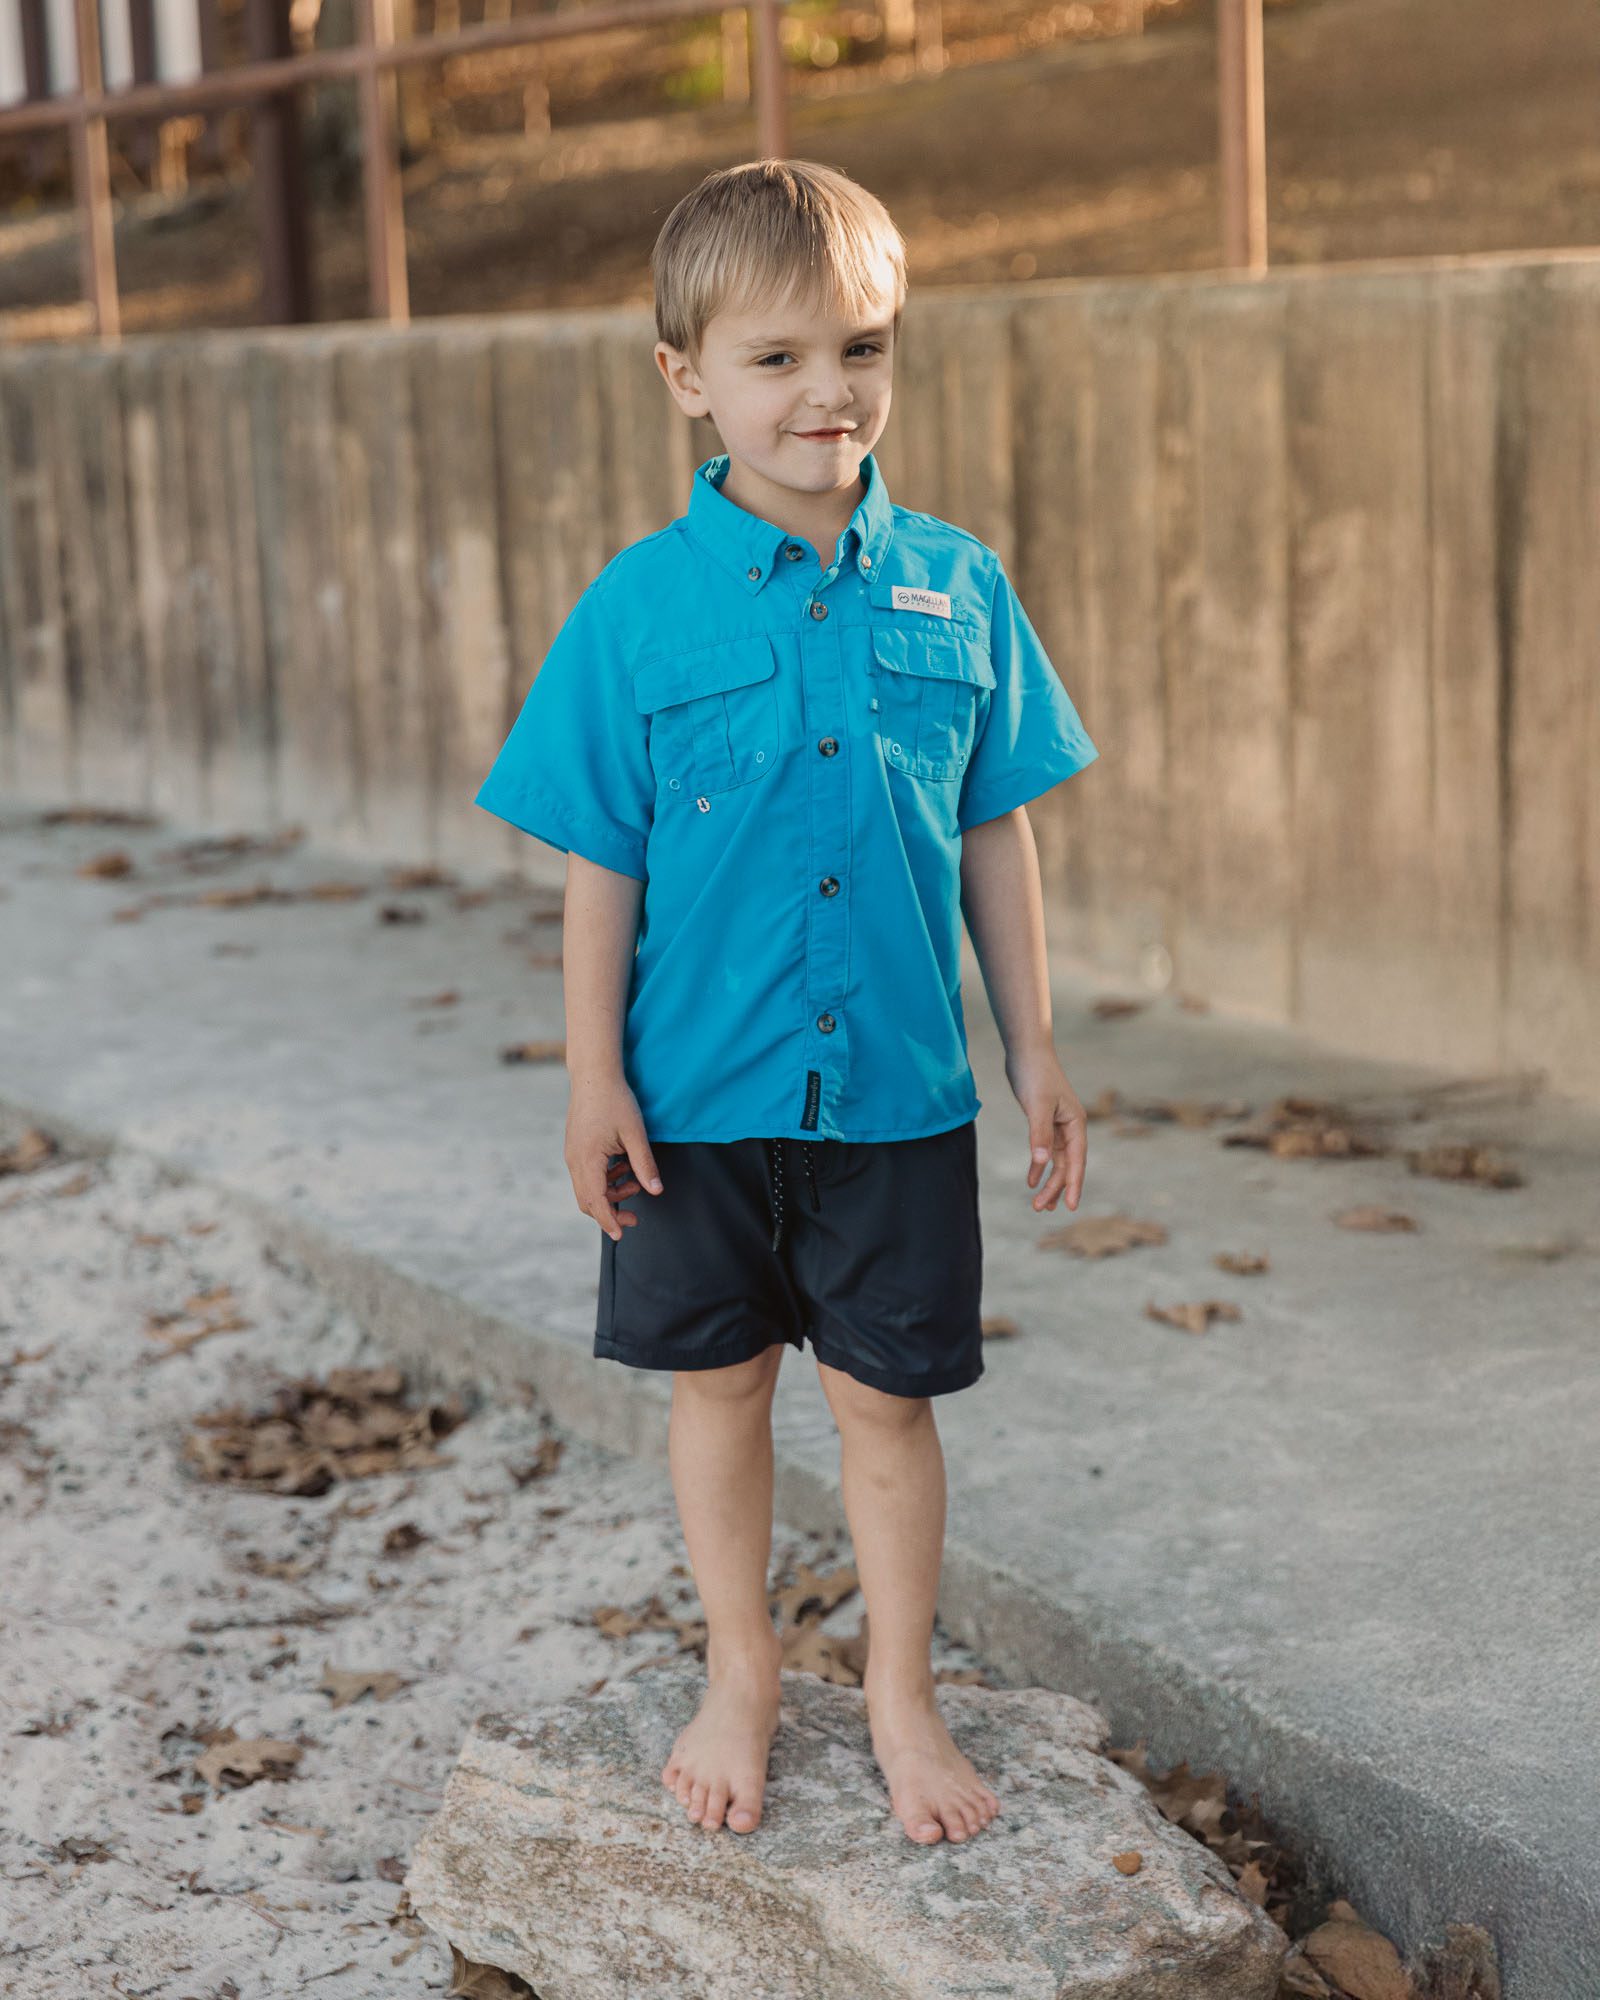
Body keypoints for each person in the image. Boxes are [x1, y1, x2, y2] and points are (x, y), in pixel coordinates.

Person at [474, 159, 1100, 1848]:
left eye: (862, 348)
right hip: (693, 1098)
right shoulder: (637, 610)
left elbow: (996, 824)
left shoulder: (959, 588)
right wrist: (590, 1077)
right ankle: (740, 1667)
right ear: (687, 375)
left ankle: (901, 1688)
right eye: (776, 358)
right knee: (723, 1386)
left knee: (887, 1404)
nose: (828, 391)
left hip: (898, 1095)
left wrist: (1035, 1049)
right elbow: (601, 859)